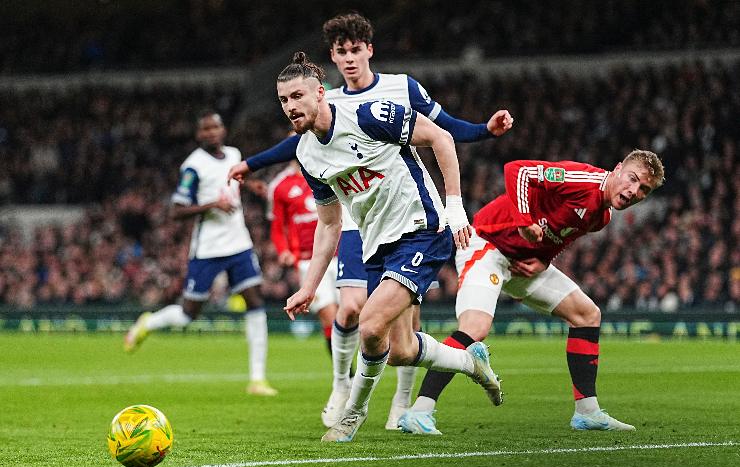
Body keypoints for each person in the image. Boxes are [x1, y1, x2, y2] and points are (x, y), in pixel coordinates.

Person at [230, 12, 513, 430]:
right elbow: (328, 226)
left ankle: (351, 415)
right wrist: (308, 287)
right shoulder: (307, 155)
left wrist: (455, 207)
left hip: (422, 227)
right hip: (375, 241)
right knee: (399, 349)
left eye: (297, 97)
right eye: (283, 101)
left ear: (320, 93)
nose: (290, 107)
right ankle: (472, 364)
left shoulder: (369, 114)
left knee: (369, 321)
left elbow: (442, 136)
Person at [399, 150, 665, 434]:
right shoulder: (583, 180)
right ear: (618, 168)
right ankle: (419, 411)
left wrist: (544, 261)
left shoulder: (602, 217)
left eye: (643, 190)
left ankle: (587, 412)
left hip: (521, 262)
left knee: (587, 314)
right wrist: (525, 221)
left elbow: (562, 235)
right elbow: (518, 170)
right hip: (487, 244)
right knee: (475, 328)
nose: (633, 191)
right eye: (632, 179)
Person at [124, 111, 277, 397]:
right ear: (198, 135)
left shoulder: (234, 154)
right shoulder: (193, 167)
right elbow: (176, 211)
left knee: (255, 301)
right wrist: (212, 205)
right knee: (188, 314)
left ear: (223, 129)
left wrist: (251, 185)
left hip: (239, 243)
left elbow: (234, 181)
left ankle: (257, 379)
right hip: (208, 248)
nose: (212, 132)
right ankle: (149, 322)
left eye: (216, 126)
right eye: (205, 129)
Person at [267, 159, 339, 355]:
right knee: (329, 315)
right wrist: (283, 250)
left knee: (350, 315)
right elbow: (277, 225)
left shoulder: (330, 169)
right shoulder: (280, 186)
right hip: (309, 261)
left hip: (342, 254)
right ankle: (344, 376)